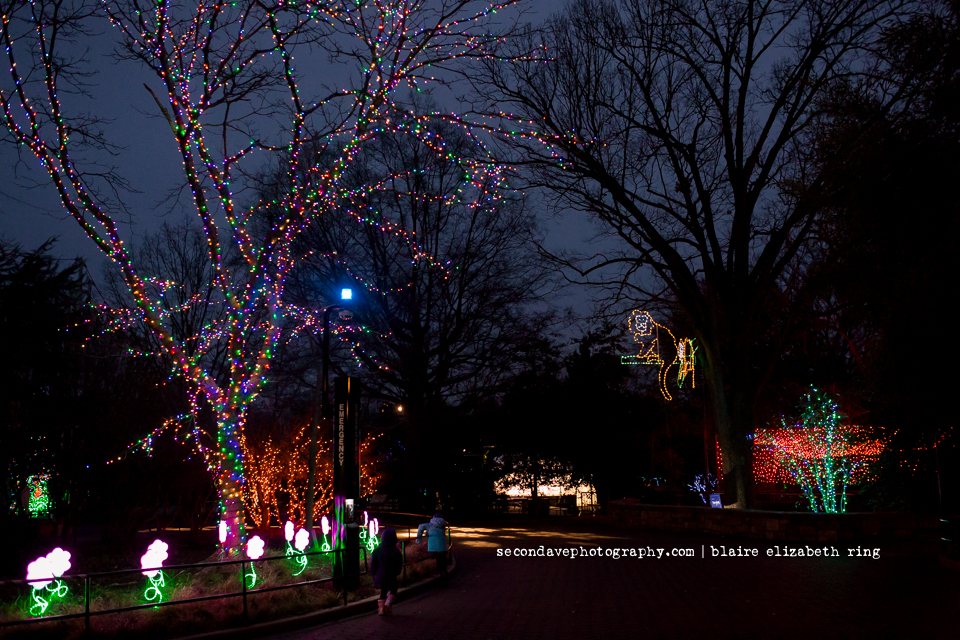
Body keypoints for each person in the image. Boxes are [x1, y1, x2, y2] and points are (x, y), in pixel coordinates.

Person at [370, 528, 402, 615]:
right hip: (391, 575)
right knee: (393, 589)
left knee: (383, 591)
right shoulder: (396, 551)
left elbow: (373, 563)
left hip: (380, 575)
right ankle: (388, 603)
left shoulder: (377, 550)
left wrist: (373, 573)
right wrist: (397, 572)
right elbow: (398, 563)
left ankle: (381, 608)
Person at [416, 512, 448, 580]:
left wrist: (419, 540)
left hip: (433, 547)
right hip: (442, 547)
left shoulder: (429, 525)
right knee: (442, 561)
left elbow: (420, 526)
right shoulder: (443, 525)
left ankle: (439, 575)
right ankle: (444, 575)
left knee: (437, 560)